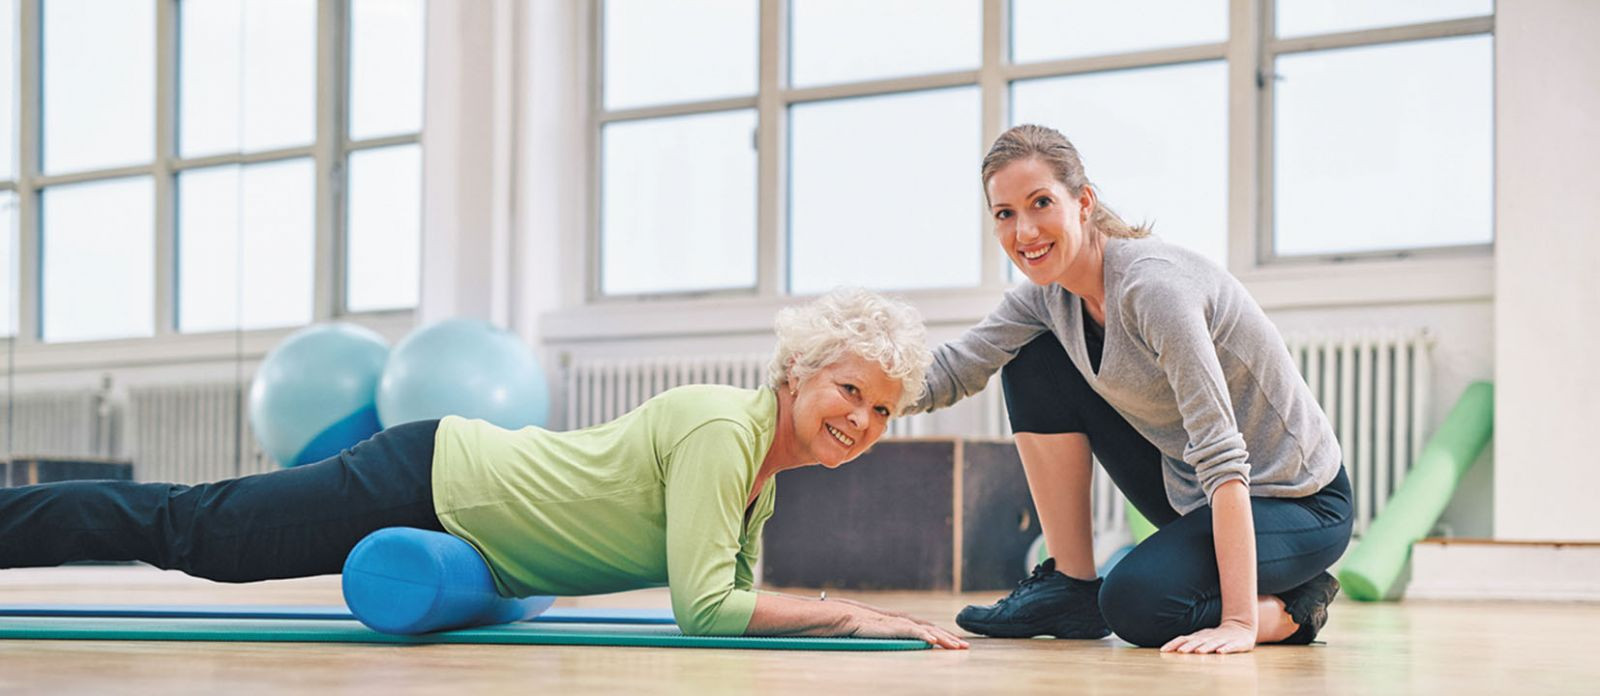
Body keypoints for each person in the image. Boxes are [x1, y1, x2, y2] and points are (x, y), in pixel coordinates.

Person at [0, 288, 967, 650]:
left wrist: (839, 611)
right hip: (431, 477)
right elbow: (705, 607)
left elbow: (727, 589)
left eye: (883, 409)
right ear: (798, 372)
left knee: (196, 529)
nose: (863, 419)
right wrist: (857, 612)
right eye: (851, 390)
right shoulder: (724, 428)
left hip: (457, 508)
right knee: (194, 531)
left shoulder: (760, 474)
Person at [911, 124, 1352, 654]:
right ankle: (1071, 587)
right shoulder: (1045, 298)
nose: (1024, 231)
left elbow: (1221, 452)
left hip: (1297, 501)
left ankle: (1295, 607)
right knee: (1031, 359)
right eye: (1005, 214)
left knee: (1137, 606)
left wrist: (1239, 622)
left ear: (1084, 202)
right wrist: (853, 398)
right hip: (1196, 494)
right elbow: (955, 369)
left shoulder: (1155, 289)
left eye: (1041, 203)